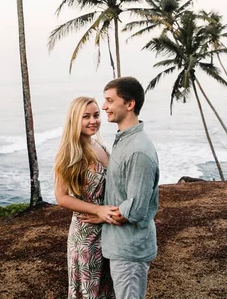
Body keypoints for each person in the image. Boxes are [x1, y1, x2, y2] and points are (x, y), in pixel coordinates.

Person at [88, 77, 160, 299]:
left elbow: (136, 208)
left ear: (130, 104)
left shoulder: (138, 150)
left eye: (110, 100)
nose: (103, 106)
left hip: (129, 250)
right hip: (120, 246)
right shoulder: (124, 140)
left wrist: (102, 215)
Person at [54, 96, 120, 299]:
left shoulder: (99, 146)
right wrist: (97, 210)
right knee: (88, 291)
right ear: (75, 119)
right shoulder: (70, 152)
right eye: (86, 116)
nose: (93, 121)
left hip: (107, 230)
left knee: (107, 289)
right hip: (85, 235)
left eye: (96, 115)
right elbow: (61, 197)